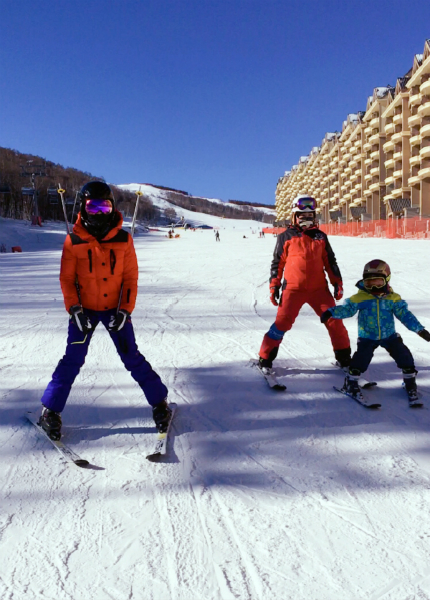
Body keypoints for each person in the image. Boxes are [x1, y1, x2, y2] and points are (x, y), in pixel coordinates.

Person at [38, 181, 170, 440]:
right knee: (72, 360)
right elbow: (67, 279)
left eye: (104, 206)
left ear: (113, 207)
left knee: (131, 357)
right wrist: (75, 309)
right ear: (83, 208)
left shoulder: (124, 239)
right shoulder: (73, 240)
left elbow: (130, 279)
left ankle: (160, 403)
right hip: (83, 311)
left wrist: (124, 311)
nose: (99, 213)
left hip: (114, 310)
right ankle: (50, 411)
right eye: (93, 207)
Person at [258, 195, 351, 370]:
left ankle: (345, 359)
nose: (306, 220)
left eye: (310, 216)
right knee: (282, 324)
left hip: (319, 290)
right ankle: (265, 358)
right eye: (302, 216)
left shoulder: (320, 237)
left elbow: (330, 261)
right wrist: (274, 285)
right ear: (294, 216)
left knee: (335, 322)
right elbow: (277, 263)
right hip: (293, 289)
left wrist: (337, 283)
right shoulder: (286, 237)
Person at [321, 259, 430, 402]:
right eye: (369, 283)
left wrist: (420, 330)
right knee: (361, 360)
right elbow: (347, 309)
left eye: (378, 282)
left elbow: (405, 315)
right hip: (367, 336)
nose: (373, 287)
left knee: (405, 357)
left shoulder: (393, 299)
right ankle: (351, 383)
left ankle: (409, 382)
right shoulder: (360, 298)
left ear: (387, 280)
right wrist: (331, 312)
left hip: (389, 335)